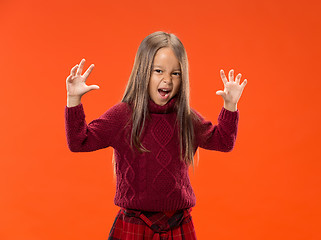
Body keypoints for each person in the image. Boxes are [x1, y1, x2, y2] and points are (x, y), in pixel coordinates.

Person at [65, 31, 247, 240]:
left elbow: (223, 142)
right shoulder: (122, 115)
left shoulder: (186, 118)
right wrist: (73, 99)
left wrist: (230, 105)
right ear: (143, 73)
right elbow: (79, 141)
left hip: (178, 224)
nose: (167, 80)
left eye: (175, 73)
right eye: (158, 71)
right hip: (134, 225)